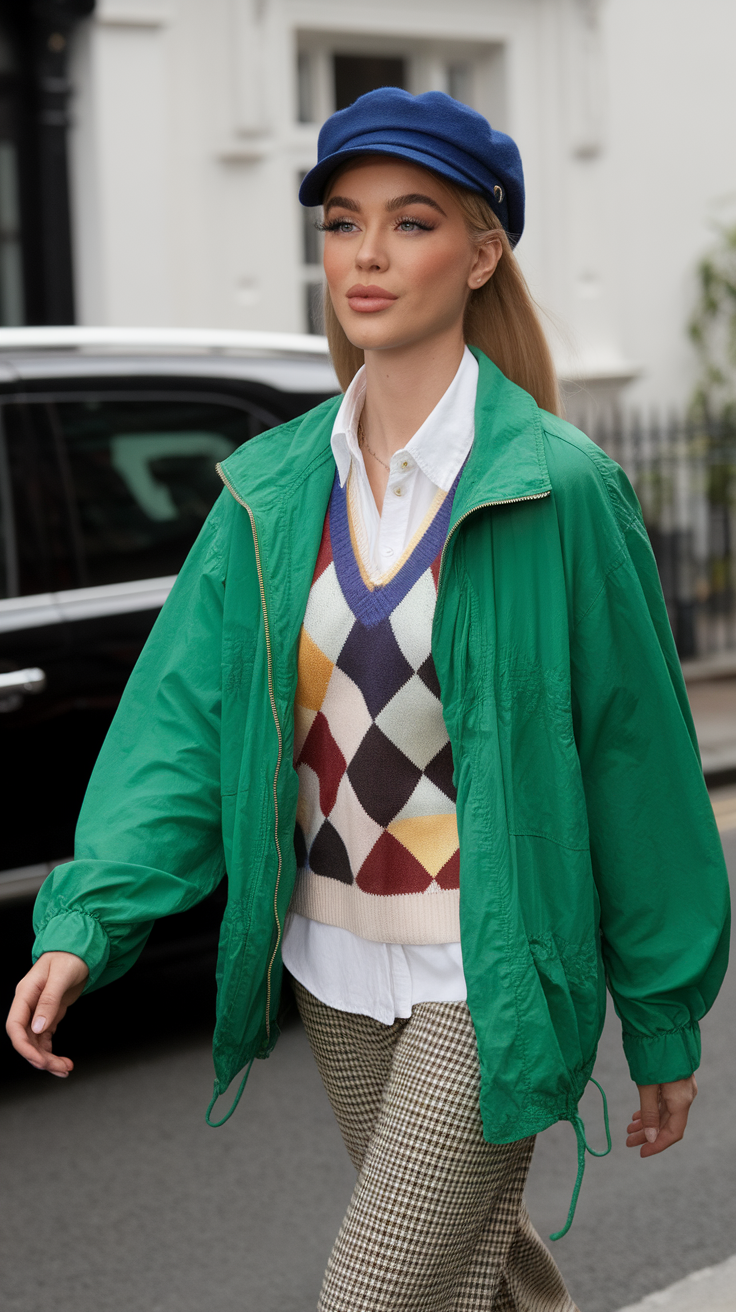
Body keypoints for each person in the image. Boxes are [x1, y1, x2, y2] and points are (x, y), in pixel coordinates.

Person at [6, 89, 730, 1312]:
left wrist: (659, 1019)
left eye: (411, 221)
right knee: (475, 1275)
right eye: (343, 224)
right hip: (330, 963)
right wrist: (90, 916)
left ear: (483, 249)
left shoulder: (559, 489)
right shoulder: (276, 490)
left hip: (488, 970)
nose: (369, 255)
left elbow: (635, 761)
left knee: (373, 1294)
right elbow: (183, 724)